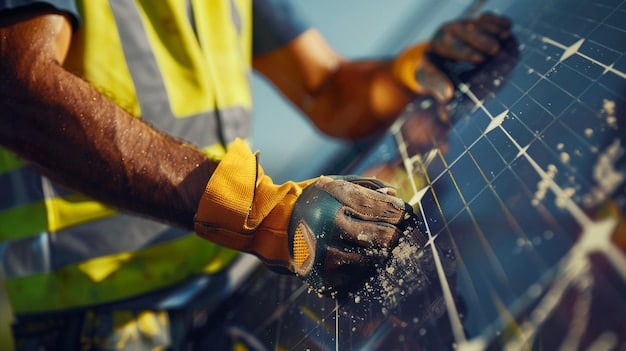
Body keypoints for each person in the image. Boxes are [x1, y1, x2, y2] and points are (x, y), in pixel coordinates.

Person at [0, 0, 510, 349]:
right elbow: (16, 90)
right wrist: (263, 211)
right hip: (99, 319)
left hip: (232, 286)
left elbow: (327, 90)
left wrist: (407, 72)